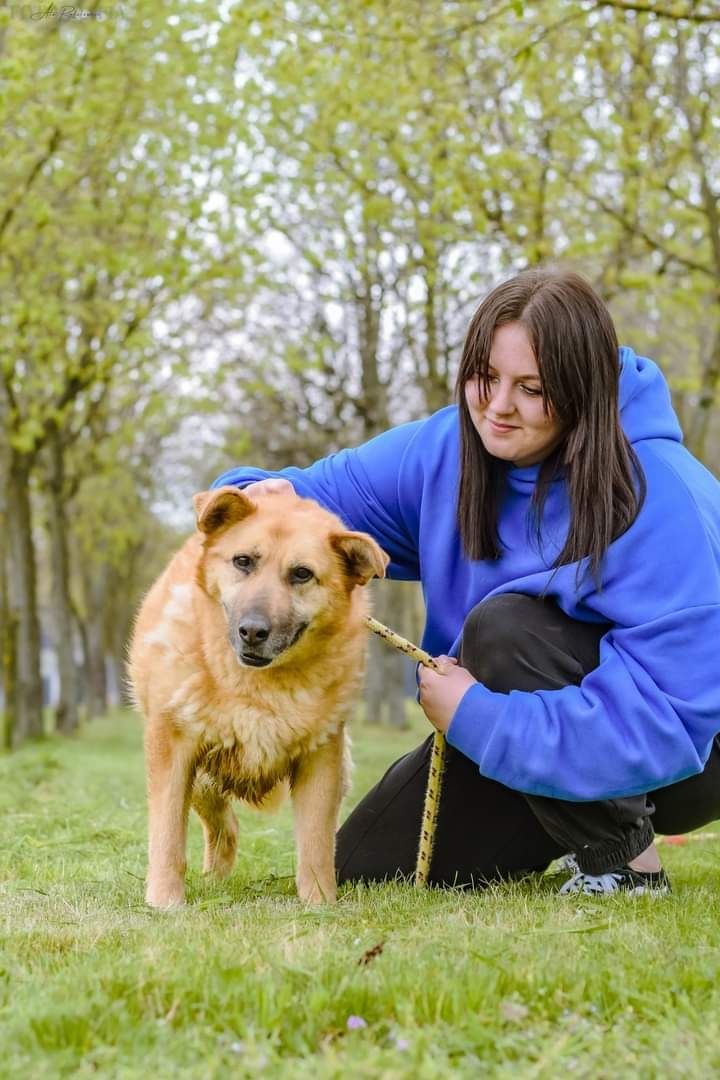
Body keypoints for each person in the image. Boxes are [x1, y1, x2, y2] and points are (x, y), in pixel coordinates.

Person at [212, 269, 720, 896]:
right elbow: (308, 499)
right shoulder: (448, 447)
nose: (498, 405)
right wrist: (252, 496)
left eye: (532, 388)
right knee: (366, 867)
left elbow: (672, 719)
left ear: (582, 390)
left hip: (685, 754)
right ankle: (556, 816)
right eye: (486, 376)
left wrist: (477, 718)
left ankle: (624, 862)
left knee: (504, 627)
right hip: (514, 716)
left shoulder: (660, 492)